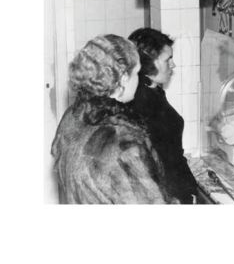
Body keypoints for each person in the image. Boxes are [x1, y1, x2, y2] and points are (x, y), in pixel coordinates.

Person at [51, 34, 173, 204]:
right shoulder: (121, 141)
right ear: (123, 78)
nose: (138, 79)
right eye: (136, 73)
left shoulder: (72, 117)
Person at [128, 28, 207, 204]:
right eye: (167, 59)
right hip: (168, 195)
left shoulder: (153, 90)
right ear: (148, 63)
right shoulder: (143, 101)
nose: (173, 65)